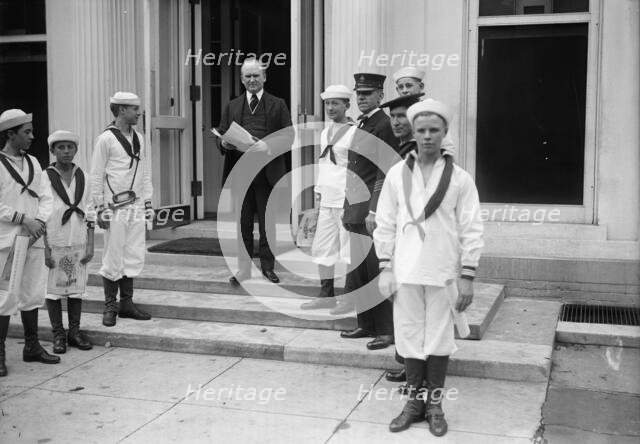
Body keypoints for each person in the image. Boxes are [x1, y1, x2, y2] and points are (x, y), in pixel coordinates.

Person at [374, 99, 483, 436]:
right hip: (405, 270)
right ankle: (413, 403)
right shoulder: (397, 174)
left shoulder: (459, 179)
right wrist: (385, 266)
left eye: (434, 130)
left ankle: (435, 404)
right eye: (421, 130)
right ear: (413, 133)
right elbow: (386, 222)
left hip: (443, 272)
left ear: (445, 133)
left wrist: (467, 275)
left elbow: (472, 227)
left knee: (438, 339)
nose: (427, 136)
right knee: (408, 337)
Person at [333, 73, 397, 351]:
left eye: (368, 94)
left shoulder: (384, 125)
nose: (361, 98)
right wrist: (348, 209)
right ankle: (366, 323)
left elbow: (385, 171)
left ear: (380, 96)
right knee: (358, 271)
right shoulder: (363, 123)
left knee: (374, 271)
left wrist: (374, 210)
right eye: (359, 93)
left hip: (371, 212)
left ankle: (386, 330)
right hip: (355, 210)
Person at [217, 58, 294, 286]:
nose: (252, 80)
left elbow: (289, 137)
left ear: (264, 77)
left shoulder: (278, 104)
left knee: (267, 222)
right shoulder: (232, 106)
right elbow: (222, 133)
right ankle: (243, 269)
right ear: (242, 79)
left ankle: (268, 267)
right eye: (247, 76)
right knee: (242, 223)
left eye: (256, 76)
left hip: (267, 173)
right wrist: (224, 144)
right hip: (240, 174)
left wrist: (268, 145)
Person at [0, 109, 59, 377]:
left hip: (34, 238)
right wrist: (23, 219)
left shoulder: (35, 163)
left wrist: (40, 223)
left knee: (33, 292)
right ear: (10, 134)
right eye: (27, 132)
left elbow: (47, 197)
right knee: (5, 296)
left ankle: (32, 347)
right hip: (8, 241)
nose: (32, 137)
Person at [90, 92, 153, 327]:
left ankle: (127, 304)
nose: (138, 113)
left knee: (133, 253)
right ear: (121, 110)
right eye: (134, 109)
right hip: (114, 207)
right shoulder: (105, 139)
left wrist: (147, 202)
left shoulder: (140, 138)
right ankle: (110, 307)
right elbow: (96, 175)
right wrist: (98, 208)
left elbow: (145, 172)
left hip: (135, 205)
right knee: (113, 255)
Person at [300, 85, 355, 310]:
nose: (331, 108)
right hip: (327, 199)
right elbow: (324, 164)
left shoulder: (355, 131)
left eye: (336, 103)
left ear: (347, 106)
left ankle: (350, 298)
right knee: (322, 248)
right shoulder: (325, 132)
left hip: (347, 200)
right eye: (327, 104)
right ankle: (326, 295)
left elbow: (356, 168)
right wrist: (319, 191)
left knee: (349, 250)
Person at [44, 130, 94, 353]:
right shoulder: (44, 177)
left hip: (78, 239)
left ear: (76, 150)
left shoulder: (84, 176)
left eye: (70, 147)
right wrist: (44, 247)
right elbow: (41, 211)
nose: (66, 151)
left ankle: (74, 332)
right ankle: (58, 334)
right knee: (53, 290)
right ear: (53, 150)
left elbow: (91, 210)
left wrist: (91, 243)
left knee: (76, 288)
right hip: (55, 238)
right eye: (60, 147)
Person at [393, 66, 456, 157]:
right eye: (401, 87)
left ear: (421, 86)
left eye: (409, 86)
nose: (405, 90)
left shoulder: (430, 108)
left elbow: (447, 147)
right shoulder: (396, 113)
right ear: (397, 90)